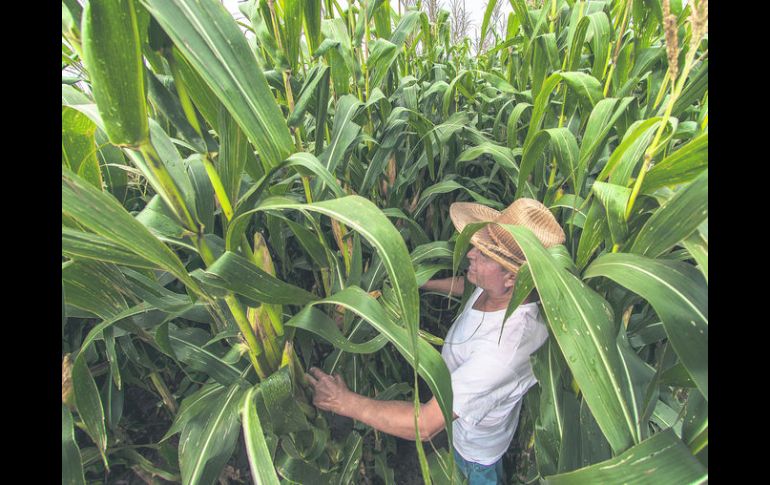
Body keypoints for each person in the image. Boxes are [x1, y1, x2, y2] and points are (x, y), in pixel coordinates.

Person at [305, 198, 566, 484]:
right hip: (461, 419)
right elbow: (468, 288)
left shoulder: (501, 354)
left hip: (476, 453)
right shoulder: (501, 291)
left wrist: (344, 402)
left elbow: (426, 425)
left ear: (513, 279)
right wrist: (421, 283)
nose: (470, 254)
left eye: (485, 255)